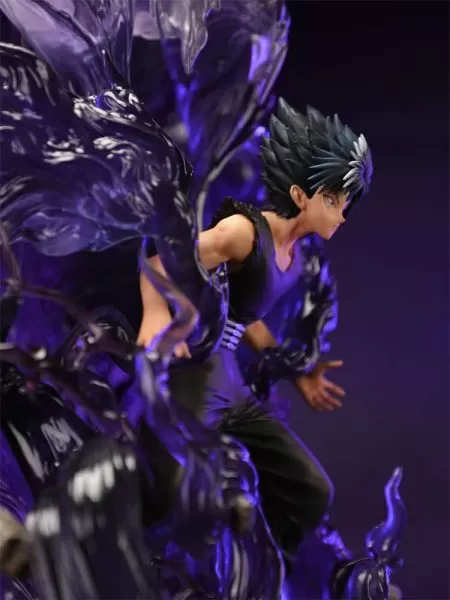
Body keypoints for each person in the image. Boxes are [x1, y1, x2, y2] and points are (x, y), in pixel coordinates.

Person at [137, 98, 374, 571]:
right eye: (333, 201)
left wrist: (297, 371)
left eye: (345, 204)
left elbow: (244, 316)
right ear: (300, 194)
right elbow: (159, 262)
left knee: (311, 491)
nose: (341, 215)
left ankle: (258, 574)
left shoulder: (295, 256)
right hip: (194, 379)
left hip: (233, 388)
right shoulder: (243, 232)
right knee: (174, 496)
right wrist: (155, 317)